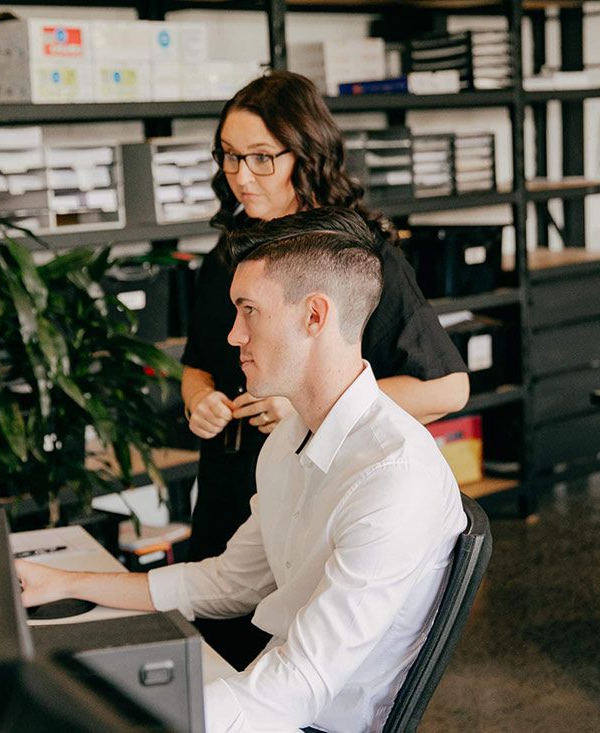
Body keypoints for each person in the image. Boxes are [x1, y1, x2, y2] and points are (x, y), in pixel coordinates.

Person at [17, 211, 467, 732]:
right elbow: (229, 582)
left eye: (248, 310)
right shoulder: (286, 441)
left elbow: (299, 686)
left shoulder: (394, 478)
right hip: (269, 695)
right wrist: (65, 582)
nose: (233, 336)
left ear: (315, 316)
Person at [180, 70, 470, 668]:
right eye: (229, 156)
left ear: (304, 153)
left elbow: (446, 387)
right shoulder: (231, 250)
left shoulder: (357, 258)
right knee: (215, 648)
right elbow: (198, 363)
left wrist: (305, 404)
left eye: (261, 158)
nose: (240, 176)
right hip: (232, 490)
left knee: (291, 669)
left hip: (313, 490)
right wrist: (198, 398)